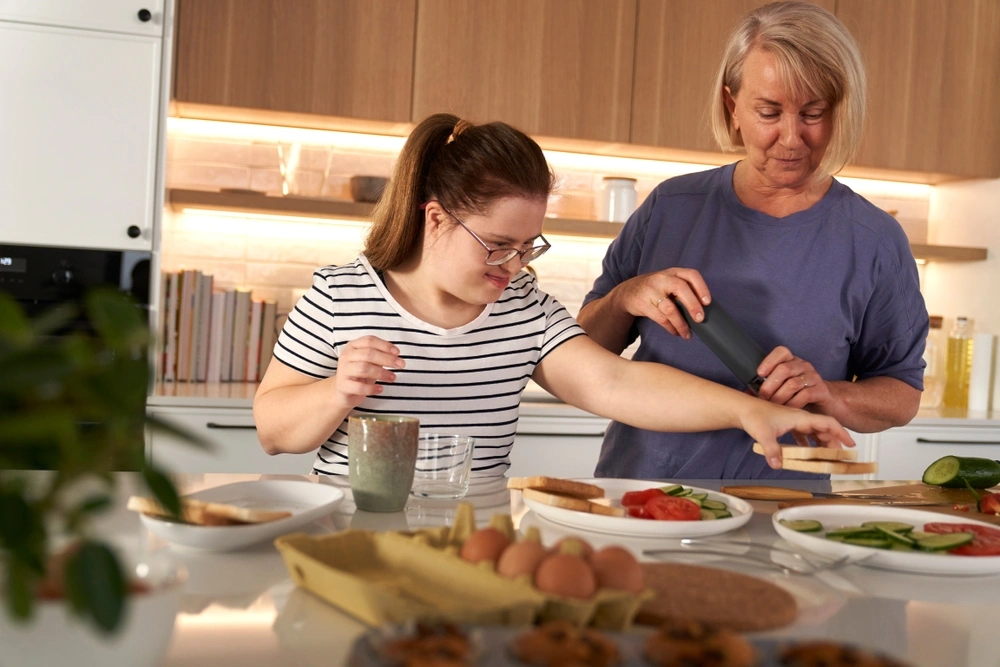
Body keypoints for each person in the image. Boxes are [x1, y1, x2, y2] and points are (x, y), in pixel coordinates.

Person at [253, 112, 854, 477]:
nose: (513, 267)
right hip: (351, 539)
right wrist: (338, 391)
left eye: (527, 247)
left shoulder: (522, 312)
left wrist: (752, 410)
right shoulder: (341, 294)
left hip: (473, 544)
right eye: (496, 244)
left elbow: (616, 383)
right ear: (435, 219)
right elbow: (273, 431)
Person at [577, 1, 927, 479]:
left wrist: (830, 393)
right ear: (731, 106)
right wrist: (623, 300)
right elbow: (583, 351)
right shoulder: (670, 207)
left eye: (813, 112)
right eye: (768, 111)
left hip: (785, 511)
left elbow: (902, 393)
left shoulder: (874, 241)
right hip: (641, 496)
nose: (790, 137)